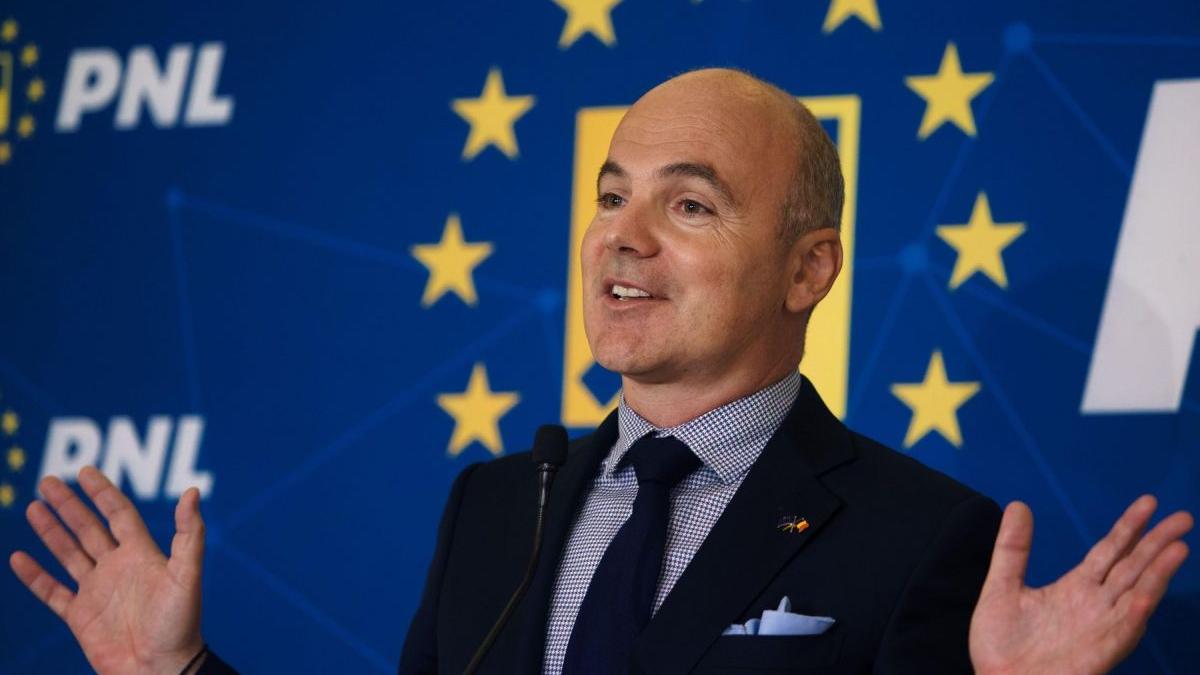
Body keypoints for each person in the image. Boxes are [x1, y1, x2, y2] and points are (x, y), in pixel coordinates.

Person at [8, 69, 1192, 675]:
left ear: (808, 269)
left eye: (688, 205)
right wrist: (175, 670)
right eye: (611, 196)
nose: (620, 238)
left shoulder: (925, 538)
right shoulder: (494, 506)